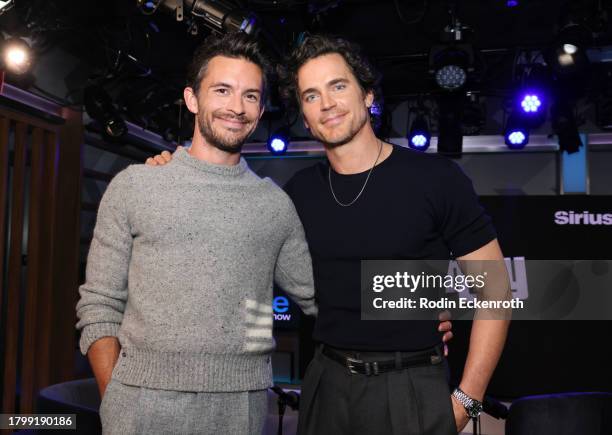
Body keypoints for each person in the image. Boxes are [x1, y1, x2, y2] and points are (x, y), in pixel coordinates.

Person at [144, 34, 460, 435]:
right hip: (327, 385)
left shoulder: (435, 177)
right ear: (304, 117)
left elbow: (497, 287)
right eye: (311, 95)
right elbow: (262, 283)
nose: (326, 103)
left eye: (338, 86)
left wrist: (466, 396)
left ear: (368, 96)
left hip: (410, 386)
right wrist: (171, 171)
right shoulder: (293, 196)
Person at [75, 32, 319, 435]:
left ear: (260, 112)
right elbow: (99, 305)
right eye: (222, 90)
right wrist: (114, 399)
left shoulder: (274, 205)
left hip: (241, 409)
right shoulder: (136, 185)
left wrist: (414, 302)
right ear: (192, 99)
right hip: (140, 405)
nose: (236, 107)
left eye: (251, 96)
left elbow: (322, 296)